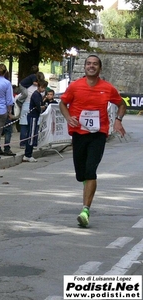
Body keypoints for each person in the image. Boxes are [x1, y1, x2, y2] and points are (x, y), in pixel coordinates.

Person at [59, 54, 126, 227]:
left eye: (95, 64)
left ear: (100, 68)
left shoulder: (107, 88)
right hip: (79, 133)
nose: (91, 66)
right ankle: (87, 184)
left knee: (91, 170)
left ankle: (85, 210)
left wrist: (118, 120)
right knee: (81, 174)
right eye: (88, 63)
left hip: (98, 134)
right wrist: (68, 117)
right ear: (85, 67)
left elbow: (121, 104)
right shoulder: (75, 86)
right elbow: (62, 103)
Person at [22, 80, 48, 163]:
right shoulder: (36, 95)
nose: (43, 89)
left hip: (34, 116)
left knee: (32, 134)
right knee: (31, 135)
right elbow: (38, 106)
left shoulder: (38, 94)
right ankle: (28, 154)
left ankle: (28, 154)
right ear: (39, 86)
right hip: (33, 116)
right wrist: (42, 107)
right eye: (42, 87)